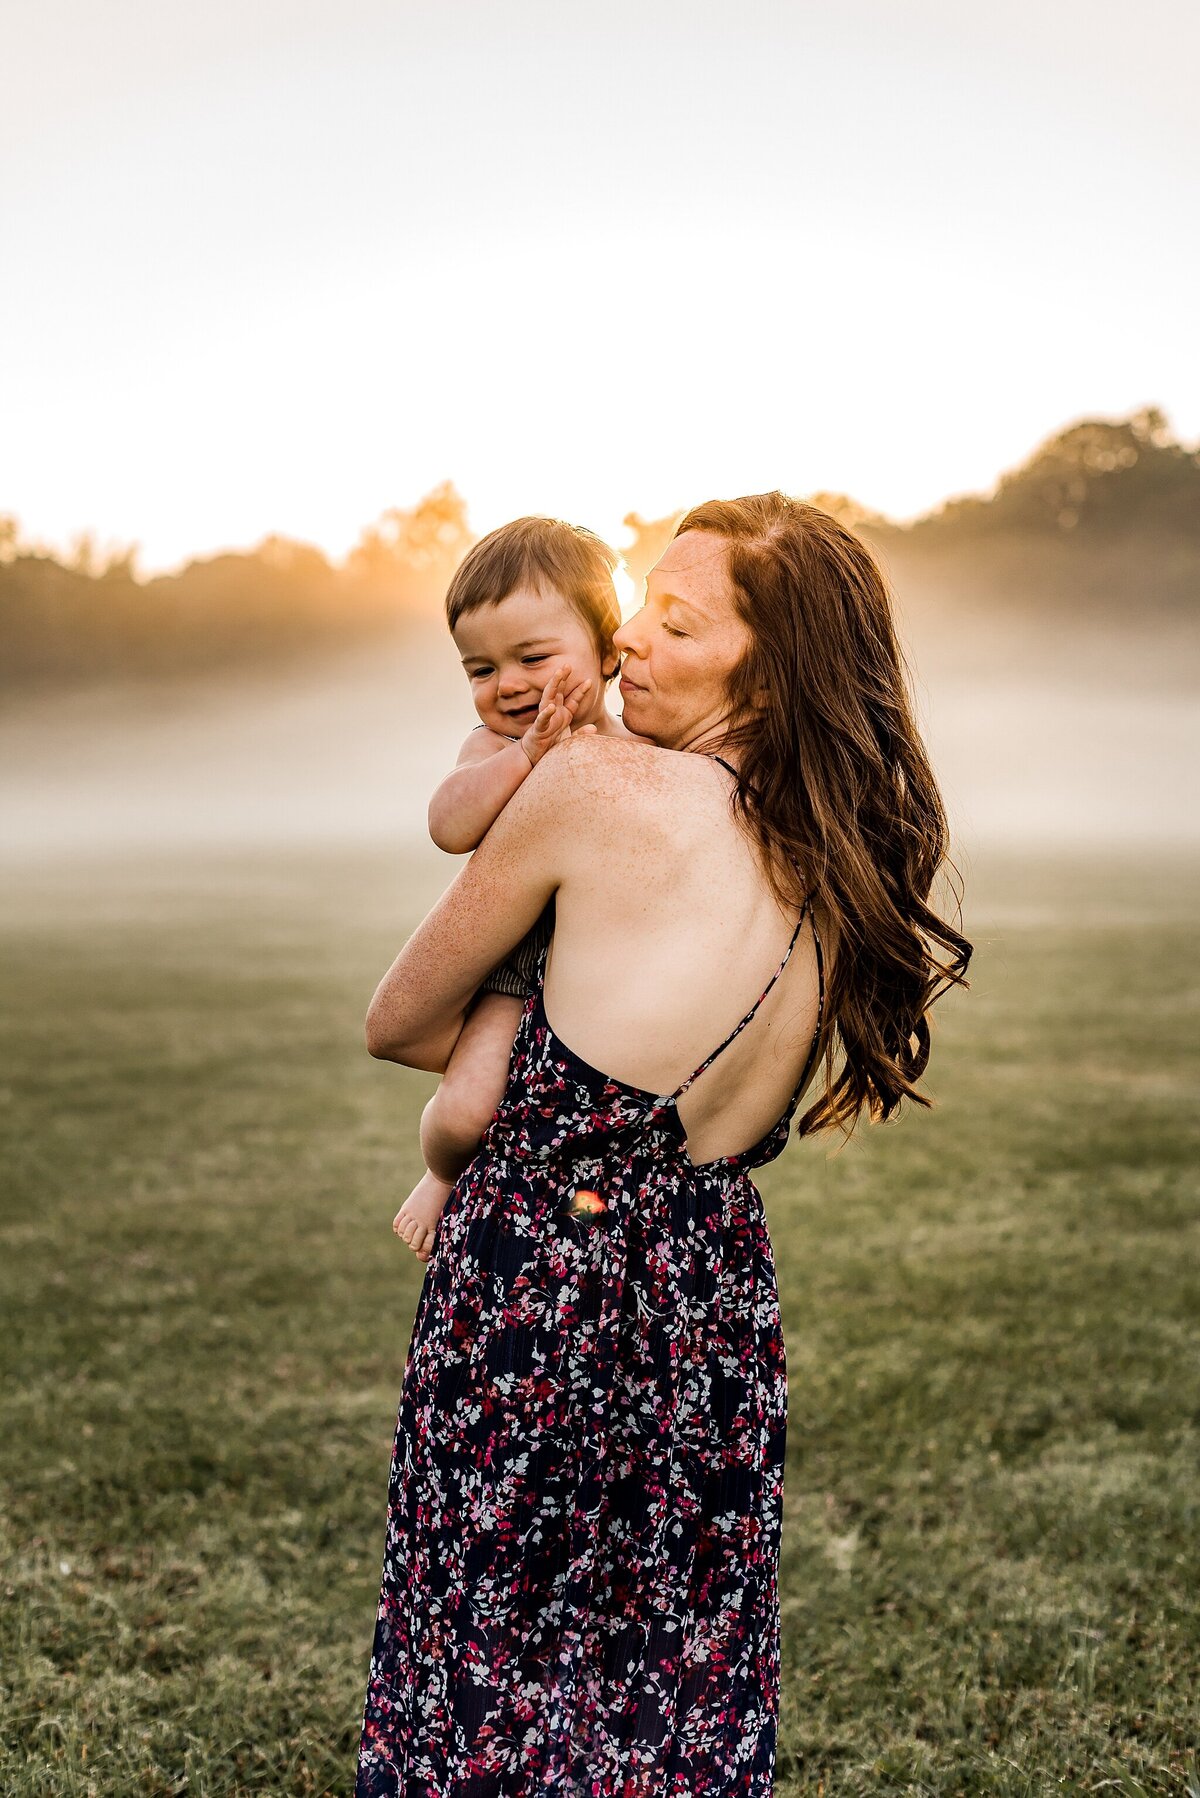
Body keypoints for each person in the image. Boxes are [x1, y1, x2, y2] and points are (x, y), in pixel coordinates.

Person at [355, 493, 972, 1797]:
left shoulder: (591, 784)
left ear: (771, 661)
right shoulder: (838, 857)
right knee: (679, 1657)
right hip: (712, 1281)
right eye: (638, 600)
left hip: (547, 1269)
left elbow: (397, 1019)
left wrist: (501, 1048)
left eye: (676, 621)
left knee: (499, 1654)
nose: (626, 638)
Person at [393, 516, 646, 1265]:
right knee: (470, 1108)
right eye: (480, 669)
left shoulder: (640, 746)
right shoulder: (493, 748)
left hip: (607, 969)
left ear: (605, 651)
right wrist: (529, 756)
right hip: (515, 967)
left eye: (532, 657)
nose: (507, 685)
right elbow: (448, 823)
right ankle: (440, 1176)